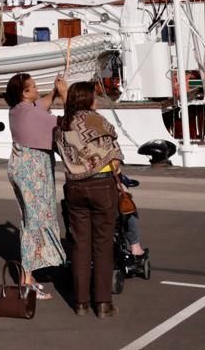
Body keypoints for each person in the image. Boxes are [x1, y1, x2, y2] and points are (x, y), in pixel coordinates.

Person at [57, 80, 124, 317]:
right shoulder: (95, 118)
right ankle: (103, 303)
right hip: (101, 184)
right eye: (94, 96)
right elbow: (112, 140)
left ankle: (81, 303)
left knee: (79, 245)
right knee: (103, 245)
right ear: (87, 99)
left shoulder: (62, 124)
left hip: (74, 186)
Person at [6, 72, 67, 299]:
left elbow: (40, 106)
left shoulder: (17, 110)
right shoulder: (30, 114)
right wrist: (65, 94)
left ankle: (29, 275)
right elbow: (67, 122)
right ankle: (26, 279)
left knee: (29, 220)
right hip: (34, 171)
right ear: (25, 92)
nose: (36, 88)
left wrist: (53, 92)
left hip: (22, 168)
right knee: (34, 223)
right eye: (32, 86)